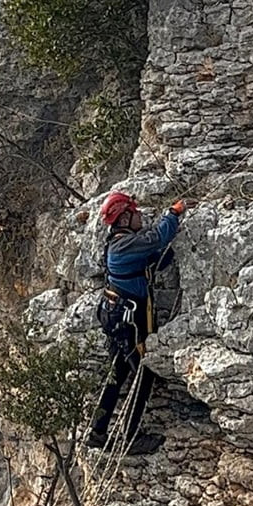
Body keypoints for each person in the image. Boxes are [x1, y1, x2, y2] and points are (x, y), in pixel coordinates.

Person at [86, 191, 186, 457]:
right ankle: (130, 438)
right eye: (135, 212)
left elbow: (153, 258)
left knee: (116, 373)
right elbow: (156, 238)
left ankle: (97, 432)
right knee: (144, 372)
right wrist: (173, 214)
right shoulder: (124, 245)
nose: (140, 215)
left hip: (116, 317)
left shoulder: (119, 243)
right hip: (128, 322)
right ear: (124, 218)